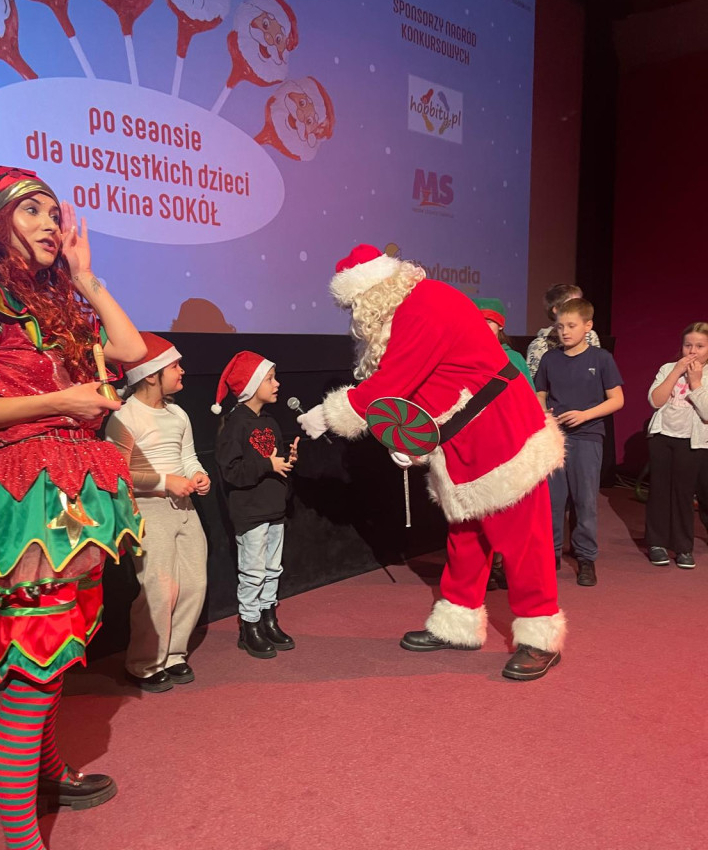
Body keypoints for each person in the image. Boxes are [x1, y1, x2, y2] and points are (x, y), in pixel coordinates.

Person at [0, 167, 145, 850]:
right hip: (32, 492)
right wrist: (61, 400)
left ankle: (51, 772)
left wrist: (86, 280)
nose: (51, 222)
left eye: (55, 211)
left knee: (62, 646)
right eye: (31, 209)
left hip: (79, 485)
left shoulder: (56, 300)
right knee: (33, 665)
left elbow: (132, 350)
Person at [297, 244, 566, 681]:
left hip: (500, 429)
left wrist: (329, 414)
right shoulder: (411, 307)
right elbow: (432, 383)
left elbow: (393, 383)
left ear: (373, 291)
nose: (355, 318)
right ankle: (458, 623)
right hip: (464, 434)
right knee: (466, 534)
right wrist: (413, 440)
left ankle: (540, 636)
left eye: (354, 305)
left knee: (522, 537)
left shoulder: (423, 307)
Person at [105, 332, 211, 692]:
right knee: (159, 588)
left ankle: (174, 654)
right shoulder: (124, 417)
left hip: (184, 505)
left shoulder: (178, 414)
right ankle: (144, 663)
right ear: (151, 374)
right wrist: (166, 482)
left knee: (194, 583)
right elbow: (116, 473)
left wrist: (198, 475)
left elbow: (188, 456)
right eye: (175, 366)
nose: (182, 371)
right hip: (148, 509)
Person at [213, 351, 298, 659]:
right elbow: (231, 471)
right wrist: (267, 465)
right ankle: (249, 626)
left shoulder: (269, 421)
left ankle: (268, 619)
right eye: (270, 379)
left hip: (274, 508)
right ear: (251, 385)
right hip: (251, 512)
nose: (277, 384)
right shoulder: (235, 425)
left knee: (273, 568)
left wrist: (286, 462)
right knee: (253, 572)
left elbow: (272, 461)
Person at [534, 297, 624, 586]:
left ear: (588, 326)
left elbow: (617, 399)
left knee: (585, 500)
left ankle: (586, 557)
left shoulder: (601, 359)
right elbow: (540, 393)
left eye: (571, 326)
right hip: (555, 437)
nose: (565, 332)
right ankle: (550, 555)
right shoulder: (550, 359)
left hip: (587, 436)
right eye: (560, 327)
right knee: (552, 500)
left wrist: (585, 415)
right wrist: (544, 415)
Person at [473, 297, 534, 590]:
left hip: (508, 442)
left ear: (500, 326)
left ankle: (504, 565)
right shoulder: (465, 357)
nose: (483, 326)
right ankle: (483, 568)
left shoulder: (514, 359)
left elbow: (529, 400)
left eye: (489, 321)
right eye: (478, 321)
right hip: (477, 443)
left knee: (508, 508)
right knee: (480, 510)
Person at [644, 322, 708, 568]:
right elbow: (655, 401)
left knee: (683, 494)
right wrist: (675, 373)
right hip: (662, 437)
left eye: (700, 346)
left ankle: (683, 547)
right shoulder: (668, 368)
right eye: (688, 345)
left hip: (692, 442)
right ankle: (656, 543)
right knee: (659, 491)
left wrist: (695, 382)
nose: (692, 351)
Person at [526, 282, 600, 378]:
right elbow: (532, 383)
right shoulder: (540, 345)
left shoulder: (589, 335)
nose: (579, 309)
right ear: (556, 310)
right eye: (572, 305)